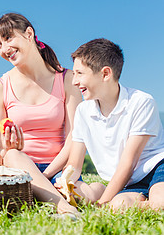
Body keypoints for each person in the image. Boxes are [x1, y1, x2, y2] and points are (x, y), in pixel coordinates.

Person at [0, 13, 82, 216]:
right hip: (18, 168)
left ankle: (44, 194)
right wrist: (6, 150)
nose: (4, 49)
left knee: (88, 192)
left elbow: (74, 137)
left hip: (58, 170)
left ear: (29, 33)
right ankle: (64, 208)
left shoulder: (68, 79)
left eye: (8, 38)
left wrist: (46, 175)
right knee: (14, 154)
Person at [63, 38, 164, 210]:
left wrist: (102, 204)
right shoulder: (83, 111)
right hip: (129, 182)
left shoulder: (141, 102)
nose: (74, 81)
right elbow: (75, 162)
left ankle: (154, 199)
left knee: (160, 202)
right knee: (118, 205)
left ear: (105, 74)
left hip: (156, 170)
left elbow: (129, 162)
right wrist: (67, 181)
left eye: (80, 73)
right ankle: (139, 200)